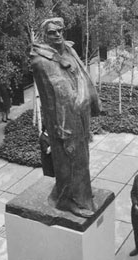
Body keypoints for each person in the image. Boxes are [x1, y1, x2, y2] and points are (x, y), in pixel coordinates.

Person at [31, 17, 101, 218]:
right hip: (62, 122)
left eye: (60, 30)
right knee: (69, 162)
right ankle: (67, 200)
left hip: (79, 115)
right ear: (45, 35)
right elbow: (50, 97)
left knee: (82, 158)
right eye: (52, 32)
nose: (58, 35)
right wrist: (60, 126)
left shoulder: (69, 51)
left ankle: (83, 193)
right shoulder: (40, 62)